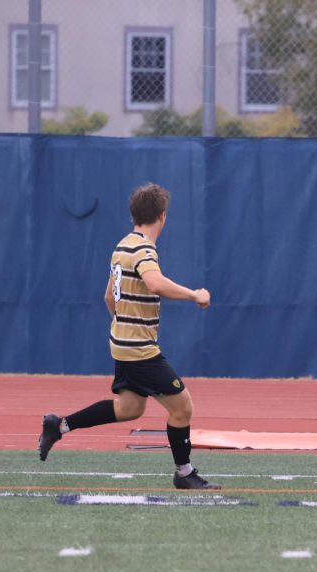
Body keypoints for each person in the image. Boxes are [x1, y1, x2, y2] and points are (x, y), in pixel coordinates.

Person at [37, 182, 220, 490]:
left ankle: (59, 425)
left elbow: (109, 296)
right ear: (162, 216)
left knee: (129, 409)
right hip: (139, 350)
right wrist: (195, 295)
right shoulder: (144, 249)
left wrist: (124, 324)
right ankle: (184, 472)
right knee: (182, 407)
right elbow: (155, 283)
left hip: (122, 343)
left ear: (135, 215)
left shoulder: (122, 245)